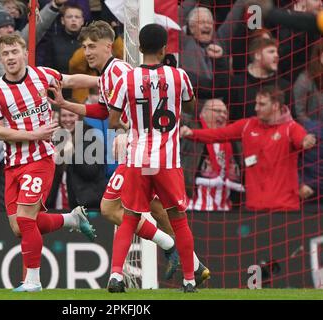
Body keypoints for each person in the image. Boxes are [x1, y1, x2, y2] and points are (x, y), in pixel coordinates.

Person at [48, 20, 211, 284]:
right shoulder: (110, 74)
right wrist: (66, 101)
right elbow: (102, 110)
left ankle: (172, 253)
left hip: (139, 151)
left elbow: (124, 112)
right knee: (157, 209)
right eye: (85, 47)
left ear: (107, 46)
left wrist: (124, 131)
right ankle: (190, 262)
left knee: (112, 209)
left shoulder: (121, 71)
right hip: (150, 153)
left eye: (92, 46)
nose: (87, 52)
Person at [0, 33, 97, 293]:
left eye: (14, 52)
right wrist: (34, 134)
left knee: (25, 219)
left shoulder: (42, 76)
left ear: (24, 53)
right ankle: (71, 220)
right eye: (5, 54)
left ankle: (33, 281)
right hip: (13, 163)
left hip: (41, 158)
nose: (10, 57)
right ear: (0, 58)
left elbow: (72, 79)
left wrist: (105, 80)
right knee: (19, 227)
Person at [107, 23, 198, 293]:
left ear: (138, 47)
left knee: (130, 218)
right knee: (178, 218)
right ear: (164, 48)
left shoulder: (126, 79)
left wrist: (130, 127)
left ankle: (116, 276)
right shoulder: (178, 76)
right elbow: (192, 104)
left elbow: (113, 120)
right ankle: (190, 280)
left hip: (138, 160)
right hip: (168, 161)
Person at [182, 85, 317, 212]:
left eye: (262, 104)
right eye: (256, 103)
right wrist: (192, 133)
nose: (256, 108)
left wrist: (306, 140)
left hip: (285, 208)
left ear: (275, 106)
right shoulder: (248, 125)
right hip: (254, 208)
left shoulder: (291, 128)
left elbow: (302, 139)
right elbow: (218, 134)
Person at [181, 99, 244, 211]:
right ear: (203, 113)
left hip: (225, 208)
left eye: (225, 112)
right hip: (193, 206)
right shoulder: (191, 128)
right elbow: (179, 118)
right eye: (217, 111)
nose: (222, 115)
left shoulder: (234, 140)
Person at [46, 108, 106, 210]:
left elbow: (91, 172)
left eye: (71, 115)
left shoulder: (91, 136)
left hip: (85, 205)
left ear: (79, 117)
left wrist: (72, 153)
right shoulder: (55, 137)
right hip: (54, 202)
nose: (68, 119)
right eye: (64, 116)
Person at [294, 37, 323, 123]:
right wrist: (312, 127)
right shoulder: (305, 79)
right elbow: (299, 113)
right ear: (318, 54)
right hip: (316, 127)